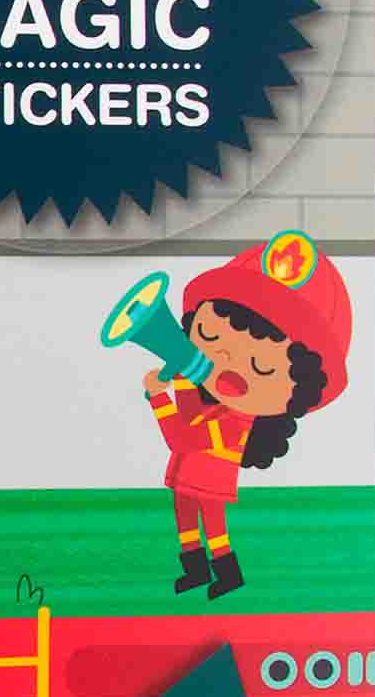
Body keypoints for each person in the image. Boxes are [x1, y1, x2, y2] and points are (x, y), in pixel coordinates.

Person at [144, 232, 351, 599]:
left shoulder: (236, 421)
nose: (228, 364)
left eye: (262, 367)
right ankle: (194, 569)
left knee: (214, 527)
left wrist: (158, 397)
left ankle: (228, 574)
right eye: (208, 335)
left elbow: (182, 437)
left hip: (209, 478)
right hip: (190, 474)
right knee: (185, 518)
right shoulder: (218, 407)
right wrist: (183, 381)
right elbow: (192, 414)